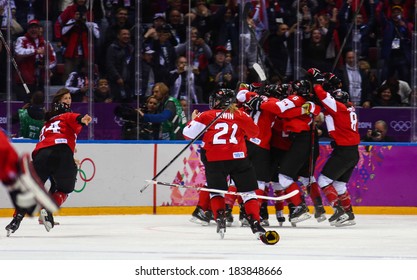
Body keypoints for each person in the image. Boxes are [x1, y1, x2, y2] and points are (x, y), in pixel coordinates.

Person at [182, 88, 278, 244]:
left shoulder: (206, 116)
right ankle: (255, 221)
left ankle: (220, 216)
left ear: (219, 101)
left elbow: (188, 134)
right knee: (248, 193)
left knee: (216, 191)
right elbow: (254, 133)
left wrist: (193, 119)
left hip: (214, 159)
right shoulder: (241, 114)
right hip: (238, 159)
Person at [5, 88, 92, 234]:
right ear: (58, 102)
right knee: (65, 188)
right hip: (62, 154)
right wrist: (83, 119)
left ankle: (16, 220)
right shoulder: (67, 116)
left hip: (42, 154)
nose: (68, 101)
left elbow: (53, 139)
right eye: (66, 98)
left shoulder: (47, 123)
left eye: (70, 98)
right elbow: (77, 119)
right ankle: (48, 210)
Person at [309, 68, 359, 227]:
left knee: (323, 180)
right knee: (339, 185)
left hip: (344, 152)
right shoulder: (349, 107)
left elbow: (324, 97)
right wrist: (332, 83)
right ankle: (349, 214)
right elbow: (333, 98)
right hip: (352, 152)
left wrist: (318, 82)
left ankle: (339, 211)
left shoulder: (339, 108)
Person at [1, 129, 58, 237]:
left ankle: (16, 220)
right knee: (59, 186)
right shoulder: (63, 129)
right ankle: (47, 211)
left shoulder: (46, 129)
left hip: (39, 159)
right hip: (53, 160)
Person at [13, 19, 57, 103]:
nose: (33, 30)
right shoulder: (22, 39)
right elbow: (18, 52)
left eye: (35, 27)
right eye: (31, 28)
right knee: (25, 103)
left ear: (39, 29)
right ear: (28, 29)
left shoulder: (45, 43)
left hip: (40, 80)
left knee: (39, 104)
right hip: (24, 80)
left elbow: (53, 60)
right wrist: (35, 51)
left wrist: (45, 66)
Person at [106, 28, 134, 102]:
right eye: (124, 34)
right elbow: (110, 64)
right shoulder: (112, 48)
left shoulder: (130, 48)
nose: (126, 36)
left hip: (128, 82)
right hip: (115, 81)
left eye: (128, 34)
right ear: (118, 36)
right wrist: (117, 77)